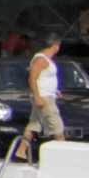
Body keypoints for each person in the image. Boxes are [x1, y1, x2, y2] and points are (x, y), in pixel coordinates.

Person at [23, 33, 65, 162]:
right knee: (57, 127)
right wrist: (37, 97)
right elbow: (32, 79)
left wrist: (55, 90)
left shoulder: (47, 59)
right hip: (44, 97)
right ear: (55, 45)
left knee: (34, 124)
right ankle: (63, 156)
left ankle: (21, 151)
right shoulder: (40, 59)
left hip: (48, 94)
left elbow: (45, 79)